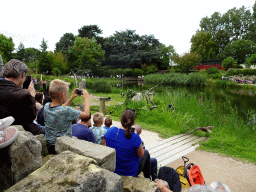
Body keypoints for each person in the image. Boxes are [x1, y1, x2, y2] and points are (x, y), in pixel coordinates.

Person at [44, 79, 90, 154]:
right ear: (62, 95)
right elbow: (86, 114)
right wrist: (86, 98)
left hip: (50, 145)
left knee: (74, 138)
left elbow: (59, 109)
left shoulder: (46, 106)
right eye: (67, 93)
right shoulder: (67, 111)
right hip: (62, 146)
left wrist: (71, 98)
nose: (68, 95)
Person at [0, 59, 44, 135]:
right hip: (18, 131)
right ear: (23, 75)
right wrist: (32, 96)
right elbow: (32, 117)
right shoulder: (24, 95)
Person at [102, 110, 146, 177]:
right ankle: (150, 178)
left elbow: (104, 145)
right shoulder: (135, 137)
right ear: (133, 122)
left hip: (113, 169)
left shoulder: (111, 131)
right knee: (146, 153)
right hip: (129, 172)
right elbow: (141, 154)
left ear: (121, 120)